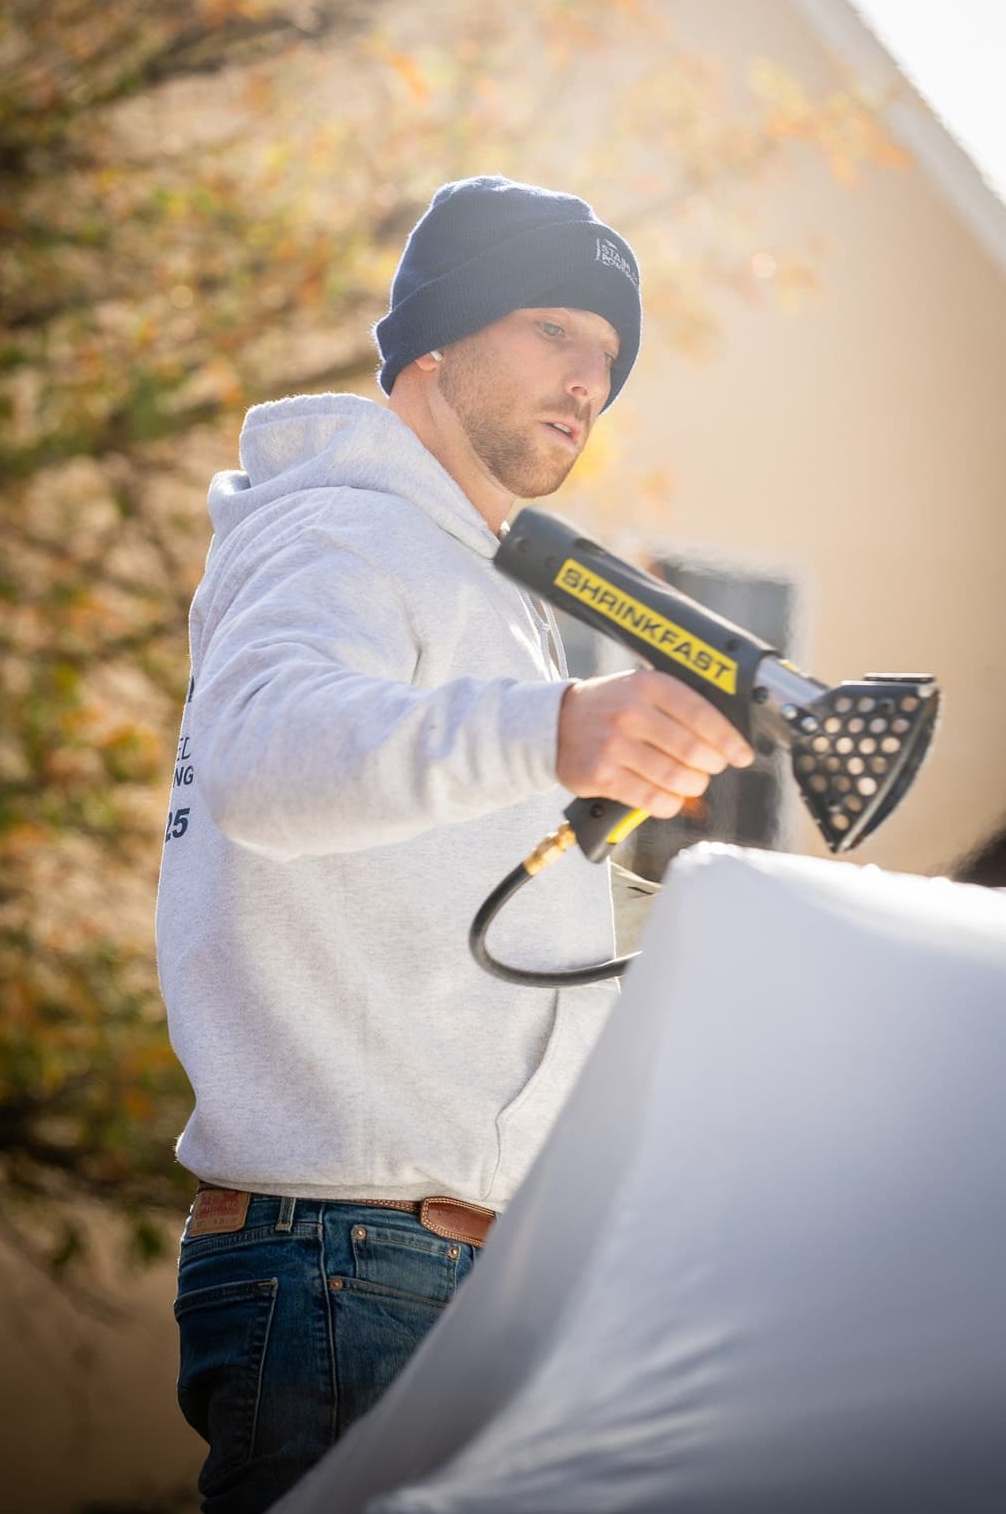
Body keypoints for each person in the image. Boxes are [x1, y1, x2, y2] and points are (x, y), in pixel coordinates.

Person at [155, 174, 753, 1513]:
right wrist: (556, 732)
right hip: (346, 1268)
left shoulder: (476, 583)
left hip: (424, 1273)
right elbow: (263, 759)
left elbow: (466, 911)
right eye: (555, 329)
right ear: (437, 338)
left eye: (608, 356)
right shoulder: (343, 528)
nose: (587, 379)